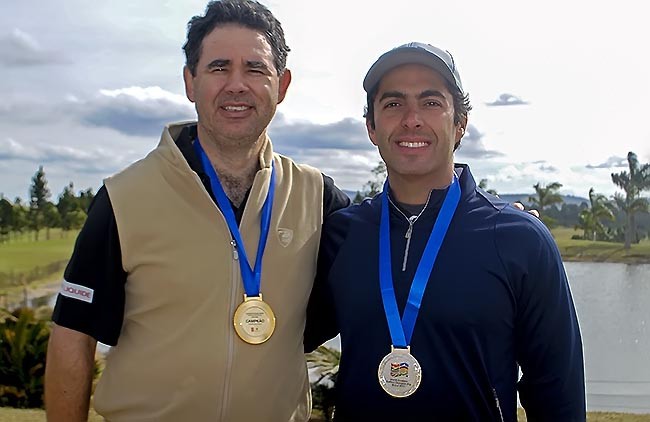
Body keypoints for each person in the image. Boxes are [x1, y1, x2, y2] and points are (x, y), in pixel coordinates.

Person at [44, 1, 350, 421]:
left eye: (256, 69)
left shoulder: (318, 198)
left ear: (283, 84)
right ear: (190, 82)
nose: (237, 85)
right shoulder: (124, 198)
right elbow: (72, 335)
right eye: (219, 67)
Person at [305, 42, 586, 421]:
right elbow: (283, 337)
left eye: (431, 102)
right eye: (393, 104)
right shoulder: (342, 234)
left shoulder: (519, 239)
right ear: (371, 127)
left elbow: (557, 392)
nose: (412, 119)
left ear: (460, 124)